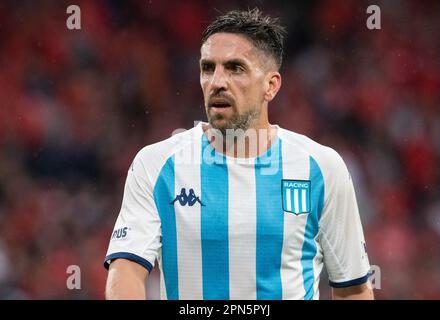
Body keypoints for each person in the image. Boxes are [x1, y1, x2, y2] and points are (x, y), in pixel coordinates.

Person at [104, 8, 373, 300]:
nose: (217, 81)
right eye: (208, 68)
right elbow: (126, 270)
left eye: (235, 68)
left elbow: (353, 288)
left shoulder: (321, 168)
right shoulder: (156, 165)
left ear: (271, 85)